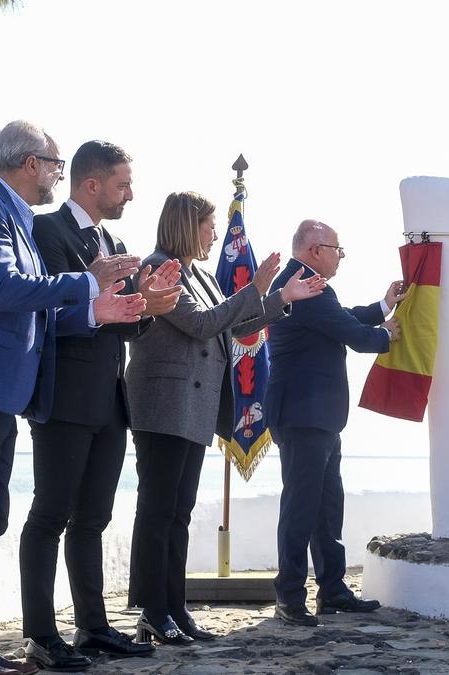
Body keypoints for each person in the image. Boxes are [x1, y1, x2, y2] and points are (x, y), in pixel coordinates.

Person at [0, 121, 148, 675]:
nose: (59, 175)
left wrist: (94, 305)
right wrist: (86, 282)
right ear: (30, 164)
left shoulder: (12, 216)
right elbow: (4, 289)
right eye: (56, 165)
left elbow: (37, 307)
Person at [125, 192, 326, 645]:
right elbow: (200, 323)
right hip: (163, 406)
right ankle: (154, 612)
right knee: (158, 513)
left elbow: (231, 325)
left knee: (178, 513)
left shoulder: (198, 273)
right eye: (209, 225)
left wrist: (278, 298)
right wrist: (255, 288)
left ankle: (174, 608)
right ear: (188, 225)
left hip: (193, 407)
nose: (216, 234)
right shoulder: (160, 268)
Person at [19, 141, 182, 670]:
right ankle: (41, 636)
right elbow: (47, 311)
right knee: (49, 516)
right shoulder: (47, 232)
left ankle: (93, 628)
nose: (130, 194)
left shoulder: (113, 239)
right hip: (66, 397)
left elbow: (123, 321)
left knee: (93, 519)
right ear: (92, 184)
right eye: (122, 185)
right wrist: (98, 292)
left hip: (113, 400)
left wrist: (150, 306)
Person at [266, 219, 405, 627]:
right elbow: (354, 334)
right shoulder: (304, 285)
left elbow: (341, 317)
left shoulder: (307, 282)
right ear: (315, 250)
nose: (340, 256)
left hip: (318, 417)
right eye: (337, 249)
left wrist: (382, 307)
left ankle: (333, 590)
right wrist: (386, 334)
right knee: (301, 509)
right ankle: (290, 597)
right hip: (303, 416)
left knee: (327, 507)